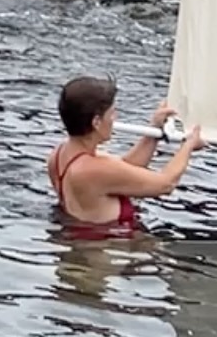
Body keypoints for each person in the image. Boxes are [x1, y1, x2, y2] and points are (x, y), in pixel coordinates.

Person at [44, 76, 202, 236]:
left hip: (81, 246)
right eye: (112, 113)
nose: (115, 118)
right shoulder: (92, 169)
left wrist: (153, 131)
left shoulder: (59, 155)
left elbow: (127, 169)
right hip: (101, 252)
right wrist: (188, 146)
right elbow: (165, 185)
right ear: (96, 122)